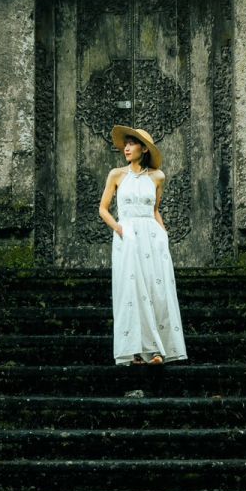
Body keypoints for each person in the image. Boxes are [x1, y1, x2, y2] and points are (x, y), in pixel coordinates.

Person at [99, 124, 188, 367]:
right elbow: (103, 209)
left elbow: (155, 210)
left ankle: (158, 350)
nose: (126, 148)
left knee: (155, 290)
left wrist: (163, 234)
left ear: (144, 149)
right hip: (128, 236)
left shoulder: (157, 177)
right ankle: (136, 352)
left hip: (152, 237)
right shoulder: (116, 174)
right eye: (125, 144)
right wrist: (119, 229)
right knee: (131, 291)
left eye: (132, 143)